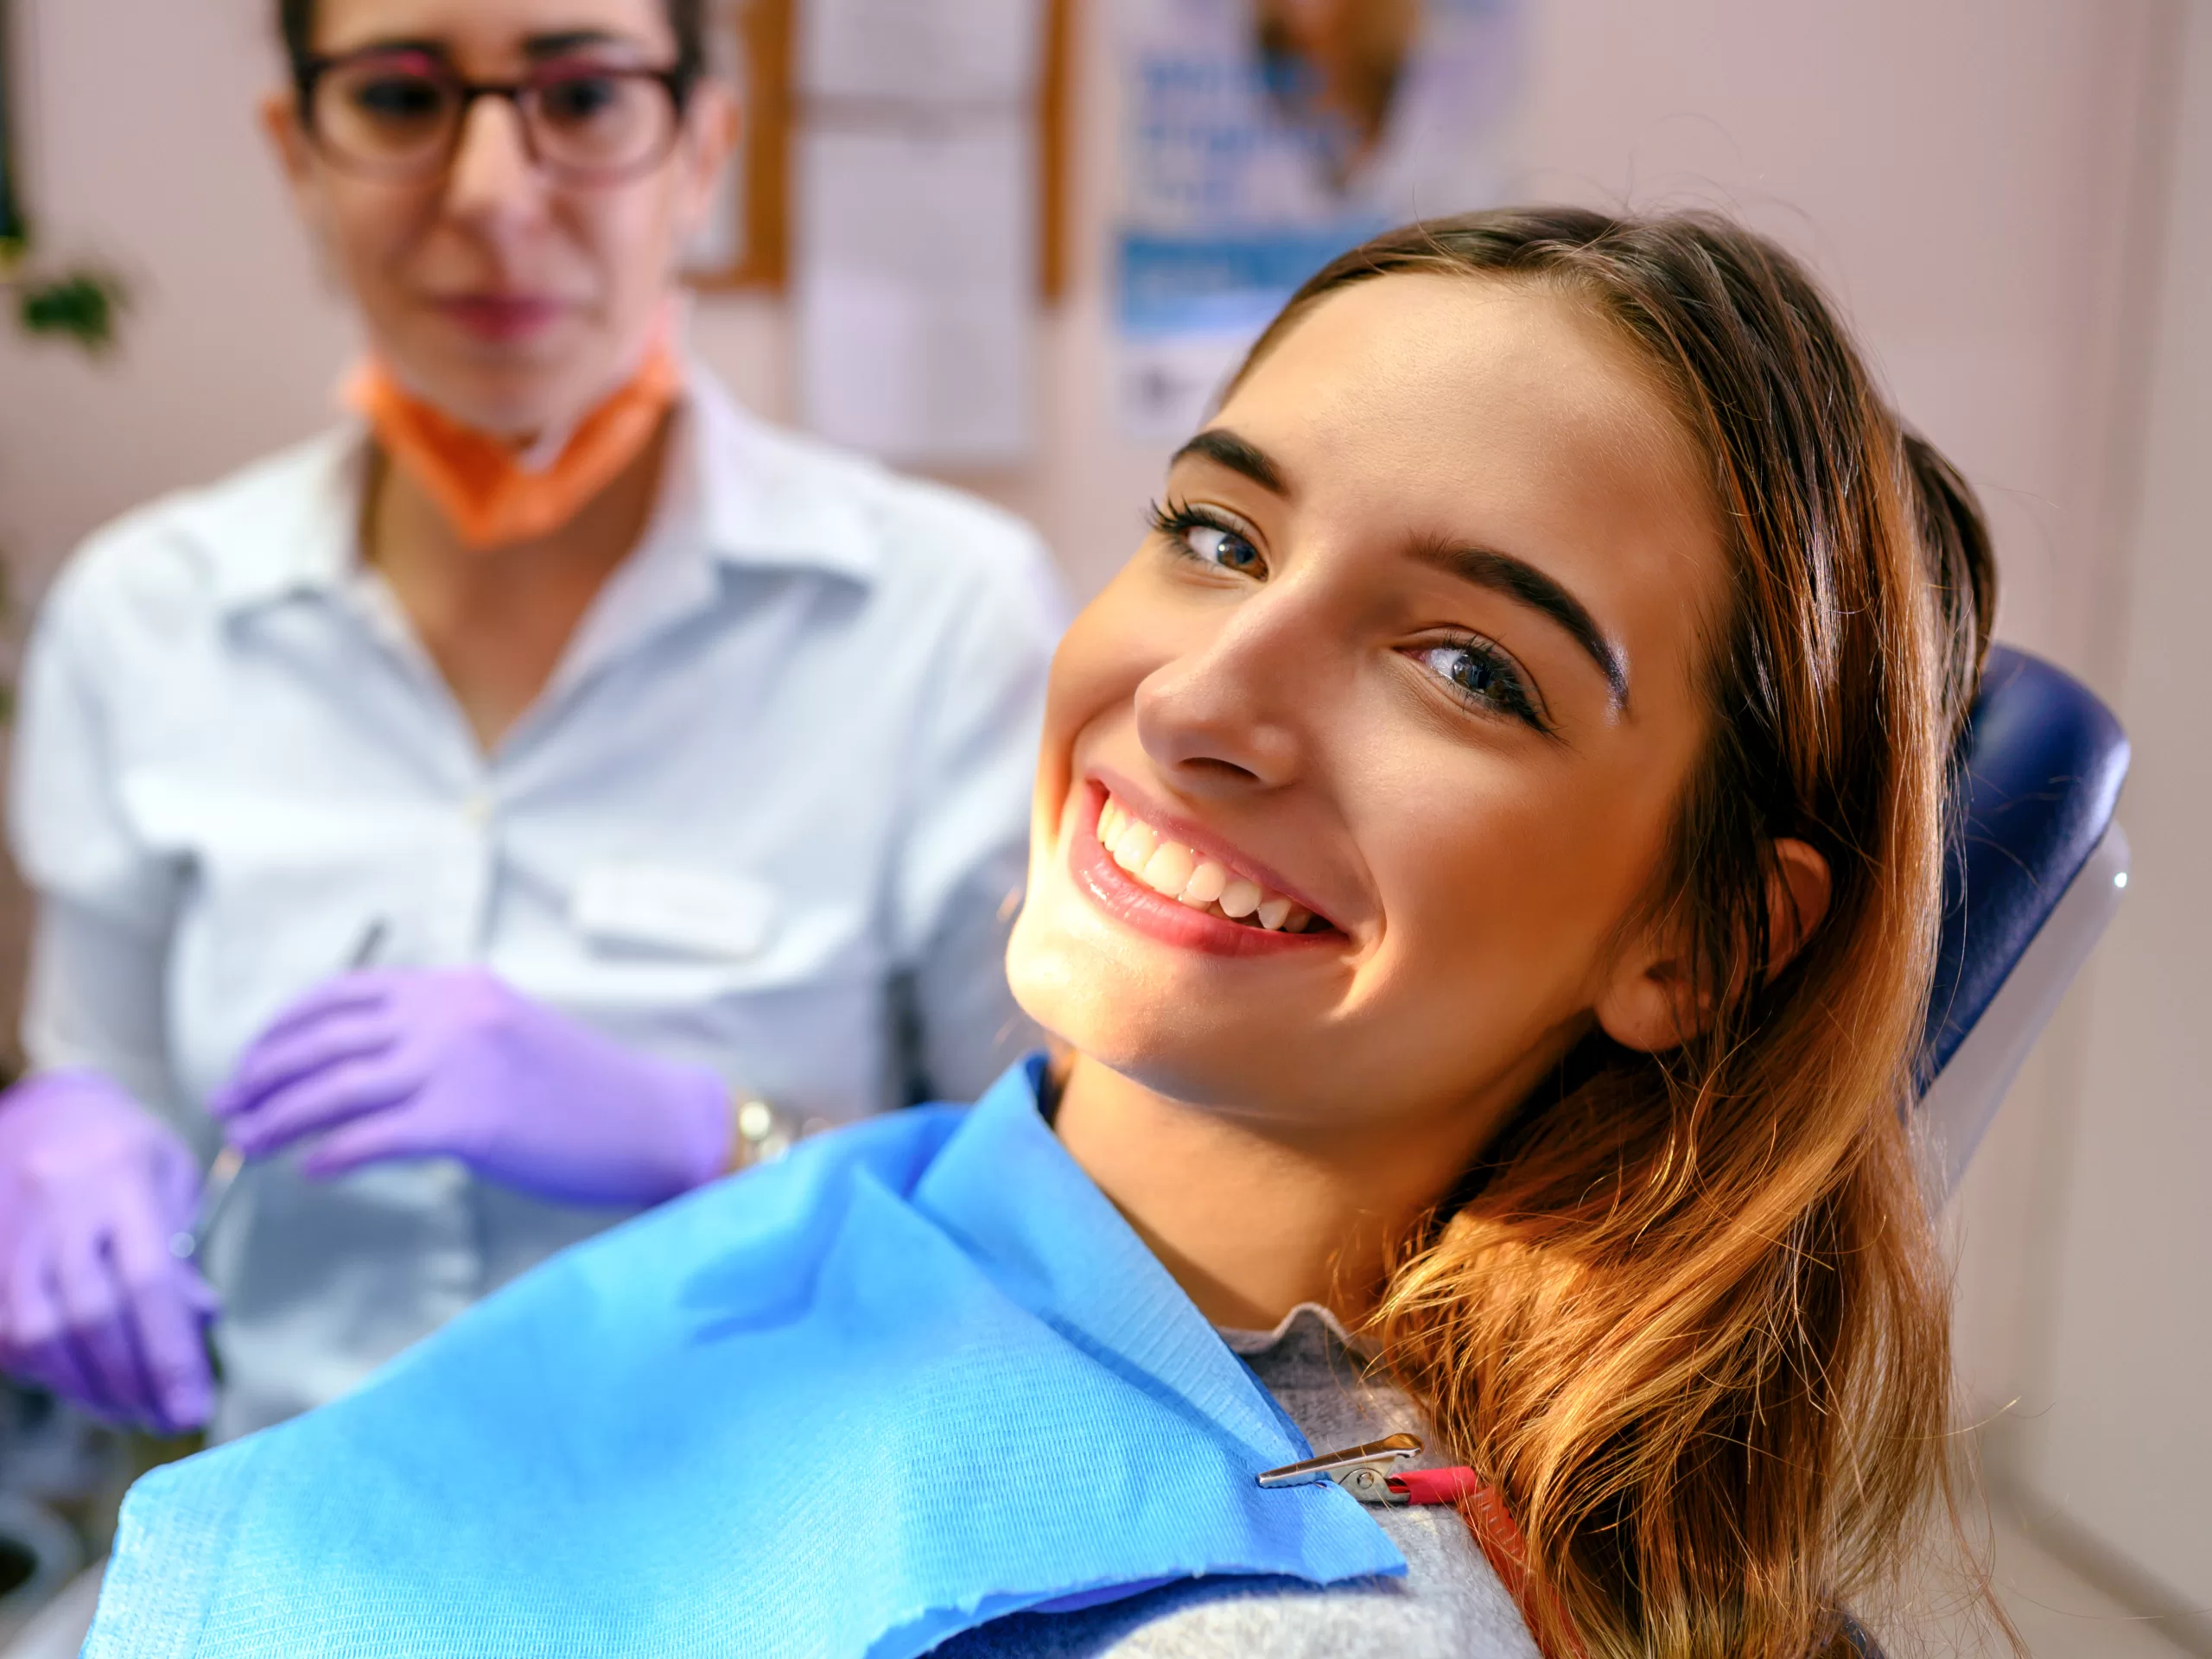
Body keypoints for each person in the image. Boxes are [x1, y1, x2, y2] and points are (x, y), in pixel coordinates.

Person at [83, 207, 2001, 1659]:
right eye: (1219, 538)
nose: (1197, 703)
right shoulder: (966, 1219)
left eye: (1464, 666)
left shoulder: (1276, 1616)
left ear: (1698, 943)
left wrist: (699, 1128)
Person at [0, 0, 1060, 1446]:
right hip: (279, 1521)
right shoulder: (141, 617)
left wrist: (709, 1138)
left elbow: (1062, 1226)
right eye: (399, 97)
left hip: (777, 1532)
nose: (493, 194)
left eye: (583, 95)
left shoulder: (944, 619)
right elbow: (109, 1100)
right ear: (298, 153)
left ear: (701, 151)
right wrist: (66, 1149)